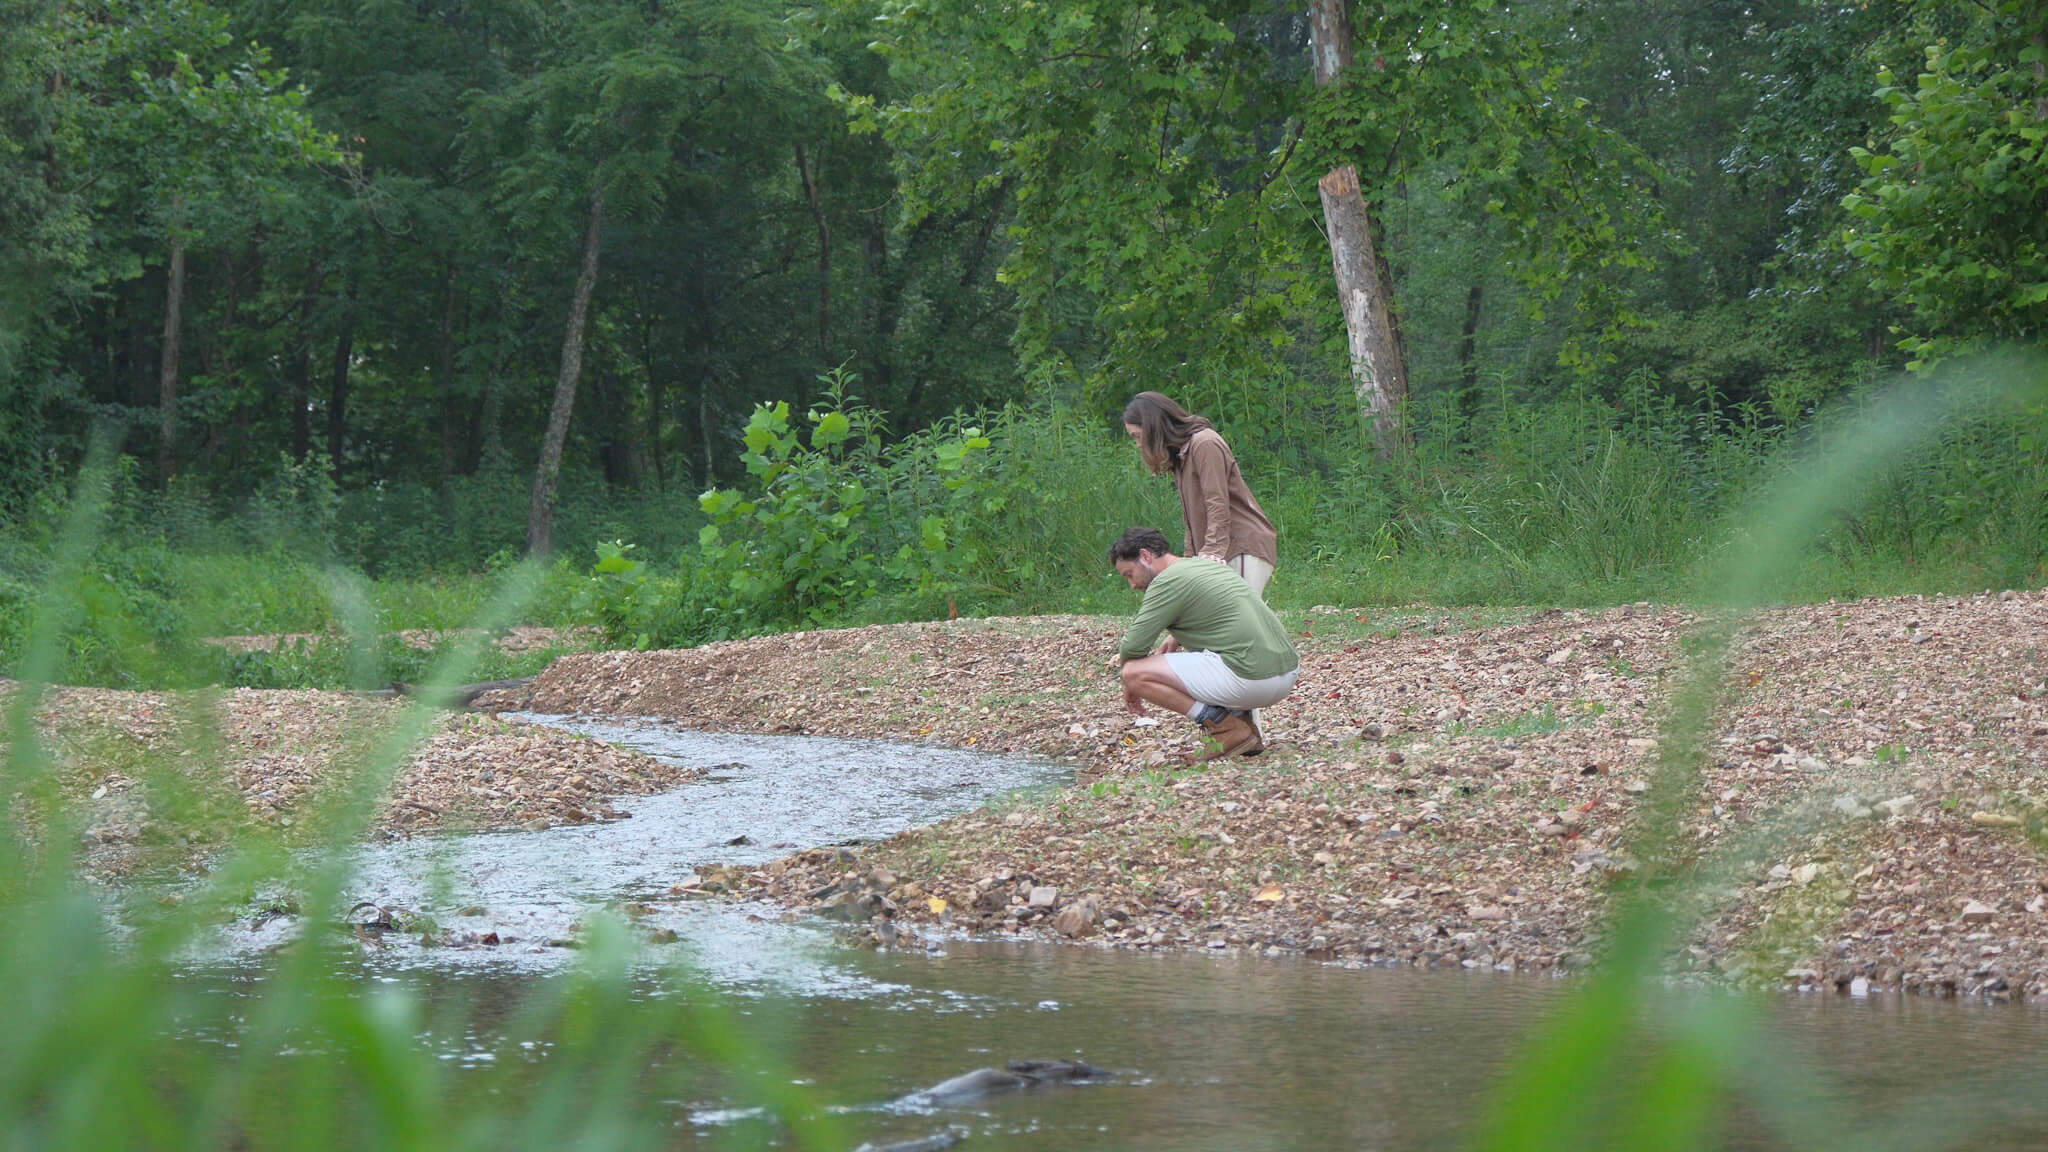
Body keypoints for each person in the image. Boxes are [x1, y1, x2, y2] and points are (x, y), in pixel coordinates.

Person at [1107, 527, 1299, 761]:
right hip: (1286, 674)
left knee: (1134, 672)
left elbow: (1133, 646)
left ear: (1145, 556)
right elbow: (1217, 612)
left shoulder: (1167, 581)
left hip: (1253, 679)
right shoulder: (1202, 565)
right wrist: (1175, 637)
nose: (1132, 585)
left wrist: (1129, 686)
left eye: (1129, 574)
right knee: (1216, 651)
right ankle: (1247, 728)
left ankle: (1226, 729)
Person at [1122, 392, 1278, 598]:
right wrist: (1190, 561)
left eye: (1137, 436)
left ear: (1152, 427)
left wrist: (1212, 552)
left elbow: (1217, 503)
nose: (1139, 445)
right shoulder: (1180, 457)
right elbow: (1192, 519)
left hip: (1241, 547)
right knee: (1214, 623)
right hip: (1220, 553)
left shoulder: (1204, 443)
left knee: (1235, 624)